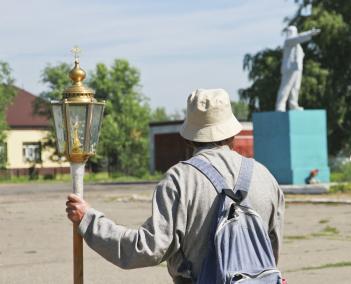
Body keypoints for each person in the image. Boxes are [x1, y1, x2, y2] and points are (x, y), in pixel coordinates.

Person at [66, 88, 285, 283]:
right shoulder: (265, 176)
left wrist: (89, 220)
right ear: (233, 133)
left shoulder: (180, 179)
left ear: (189, 137)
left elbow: (146, 248)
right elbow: (271, 250)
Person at [275, 25, 321, 112]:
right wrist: (310, 33)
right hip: (289, 68)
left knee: (295, 88)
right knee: (286, 87)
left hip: (297, 68)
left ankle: (293, 105)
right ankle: (280, 105)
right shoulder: (289, 41)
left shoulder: (297, 45)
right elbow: (299, 38)